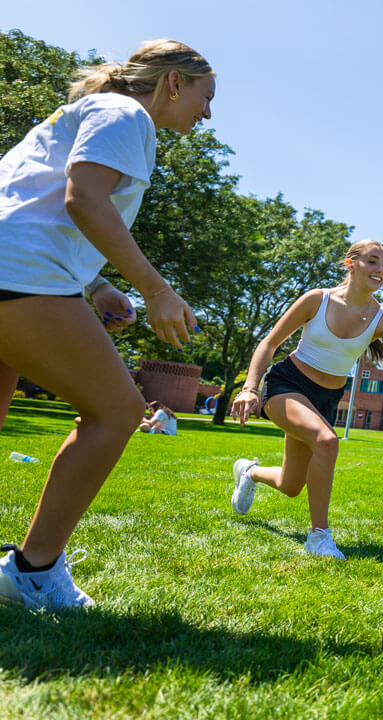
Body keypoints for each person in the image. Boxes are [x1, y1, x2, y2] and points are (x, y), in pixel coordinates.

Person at [0, 41, 210, 612]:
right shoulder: (126, 114)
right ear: (173, 82)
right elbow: (83, 199)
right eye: (204, 96)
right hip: (21, 275)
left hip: (16, 267)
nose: (207, 113)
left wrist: (95, 286)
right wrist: (156, 289)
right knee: (117, 411)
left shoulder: (83, 114)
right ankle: (33, 573)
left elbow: (30, 205)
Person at [229, 239, 383, 559]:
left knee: (290, 485)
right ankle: (319, 537)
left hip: (325, 398)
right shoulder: (317, 300)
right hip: (287, 384)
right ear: (350, 264)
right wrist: (249, 388)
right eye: (373, 261)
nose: (380, 269)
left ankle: (249, 472)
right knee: (327, 440)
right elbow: (269, 344)